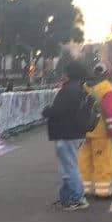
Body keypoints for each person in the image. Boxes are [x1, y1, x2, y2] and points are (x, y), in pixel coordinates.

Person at [42, 62, 90, 210]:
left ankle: (76, 198)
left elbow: (59, 111)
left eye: (65, 72)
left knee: (69, 168)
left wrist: (47, 111)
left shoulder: (68, 90)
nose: (63, 75)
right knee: (69, 167)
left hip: (67, 133)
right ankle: (68, 198)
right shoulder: (80, 88)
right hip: (76, 132)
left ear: (70, 73)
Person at [78, 64, 112, 199]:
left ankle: (84, 188)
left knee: (85, 160)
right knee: (103, 161)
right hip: (101, 131)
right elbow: (110, 112)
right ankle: (103, 190)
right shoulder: (107, 87)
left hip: (86, 129)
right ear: (107, 74)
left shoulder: (85, 86)